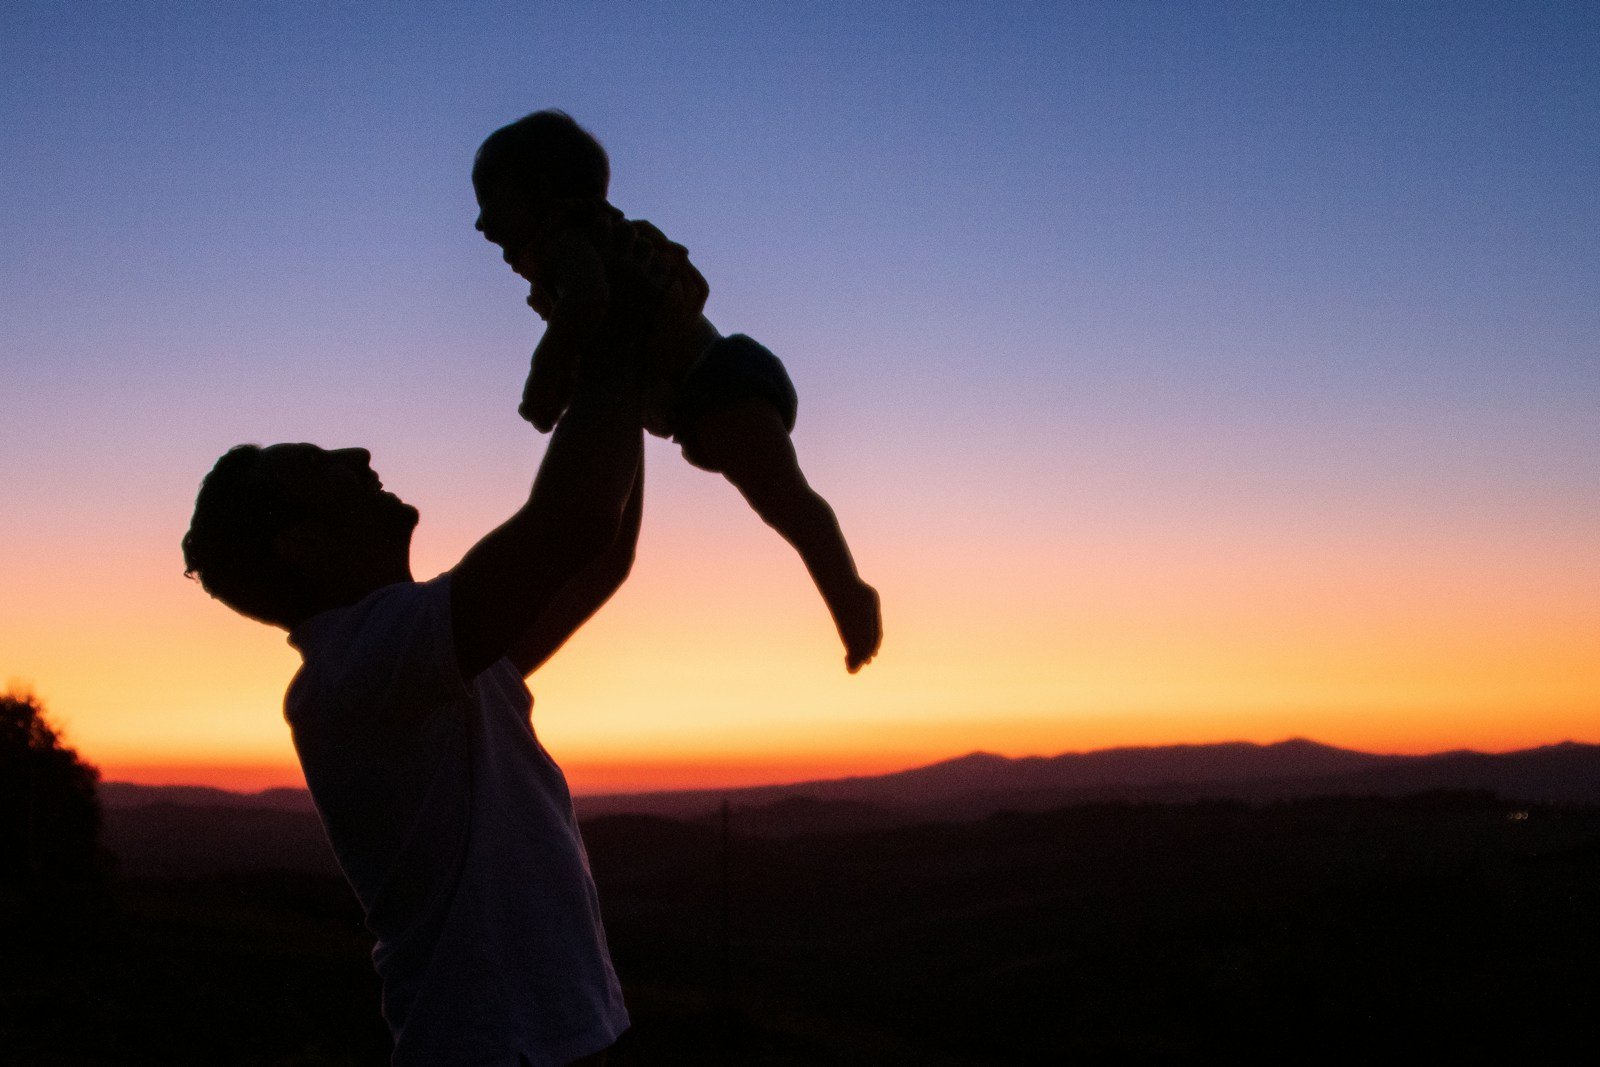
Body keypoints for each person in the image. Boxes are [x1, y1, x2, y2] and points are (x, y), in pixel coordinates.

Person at [179, 228, 682, 1065]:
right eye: (321, 462)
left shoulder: (423, 655)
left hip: (561, 1033)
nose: (358, 453)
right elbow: (574, 521)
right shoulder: (358, 668)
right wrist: (614, 323)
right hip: (502, 1046)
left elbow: (598, 552)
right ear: (298, 542)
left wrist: (625, 373)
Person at [472, 109, 883, 673]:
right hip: (694, 393)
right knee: (764, 504)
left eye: (490, 198)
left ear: (540, 190)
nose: (480, 223)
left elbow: (586, 305)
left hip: (715, 382)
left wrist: (546, 378)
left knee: (783, 500)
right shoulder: (585, 242)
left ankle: (849, 592)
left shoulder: (566, 240)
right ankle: (846, 589)